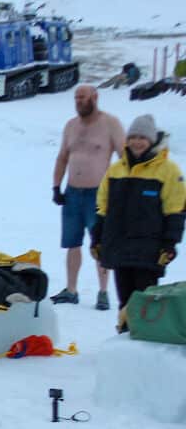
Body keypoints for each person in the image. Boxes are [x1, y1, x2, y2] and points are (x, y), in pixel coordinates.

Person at [90, 114, 184, 323]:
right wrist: (97, 239)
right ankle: (125, 342)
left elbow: (175, 210)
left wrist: (169, 244)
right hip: (120, 247)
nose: (137, 142)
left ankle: (144, 343)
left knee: (146, 303)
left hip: (149, 251)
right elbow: (102, 207)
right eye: (133, 137)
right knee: (124, 302)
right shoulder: (116, 170)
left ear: (152, 140)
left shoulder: (168, 171)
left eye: (142, 137)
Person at [51, 84, 126, 310]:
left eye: (83, 97)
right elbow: (62, 157)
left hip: (99, 194)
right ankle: (71, 289)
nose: (79, 102)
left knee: (100, 243)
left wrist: (120, 190)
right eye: (76, 98)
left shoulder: (110, 124)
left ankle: (103, 292)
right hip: (73, 192)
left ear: (95, 97)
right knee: (72, 243)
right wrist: (56, 186)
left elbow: (125, 158)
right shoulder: (71, 126)